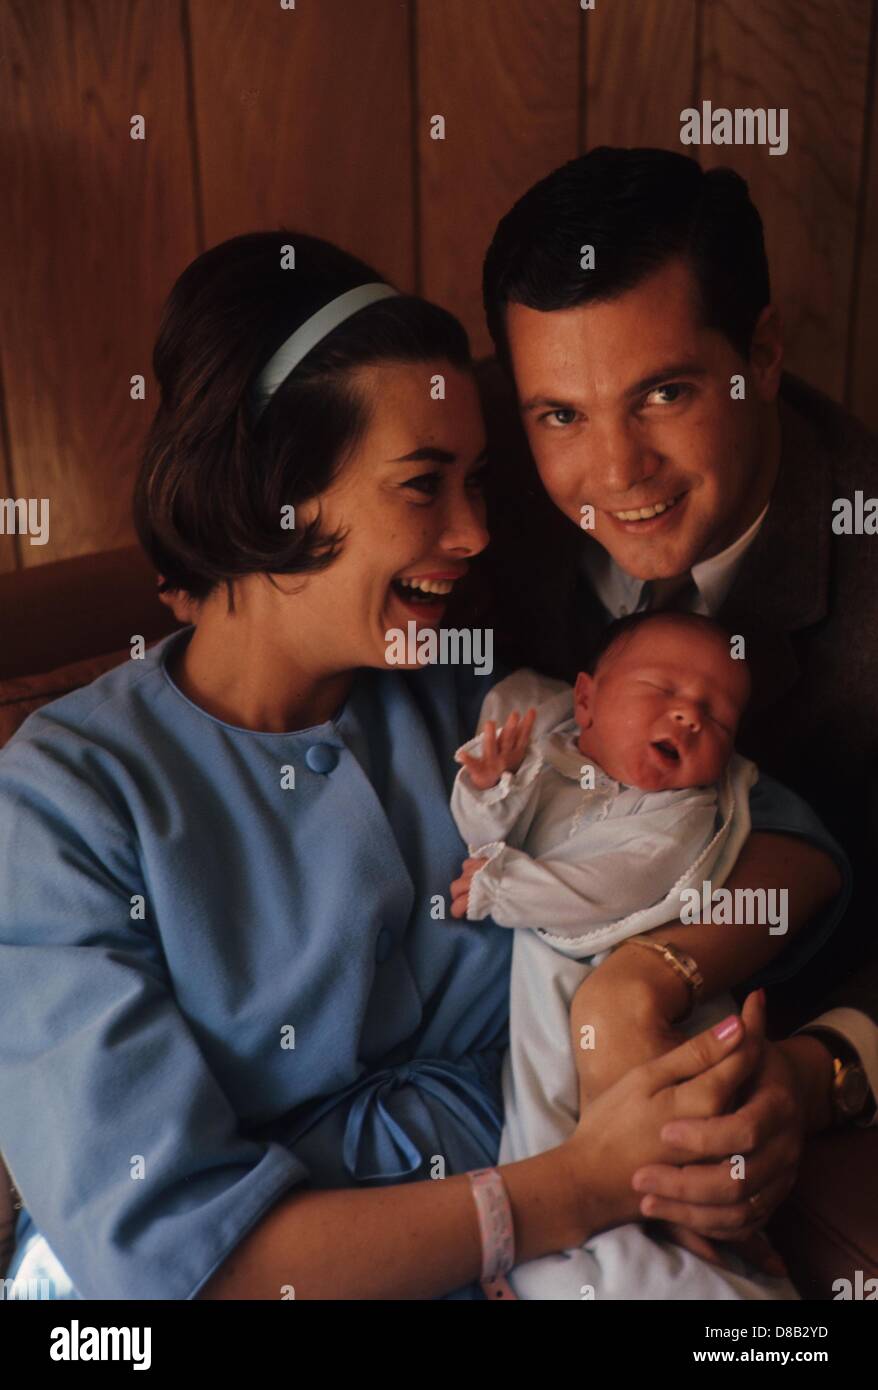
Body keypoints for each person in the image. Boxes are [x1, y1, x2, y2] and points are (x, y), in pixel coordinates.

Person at [0, 231, 846, 1302]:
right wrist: (576, 1185)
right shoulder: (65, 798)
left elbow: (782, 841)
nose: (477, 531)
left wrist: (640, 982)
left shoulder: (471, 702)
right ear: (277, 491)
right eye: (423, 486)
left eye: (480, 483)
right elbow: (181, 1257)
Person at [472, 148, 878, 1244]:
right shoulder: (474, 490)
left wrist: (819, 1067)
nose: (612, 472)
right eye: (558, 414)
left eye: (662, 394)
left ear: (761, 349)